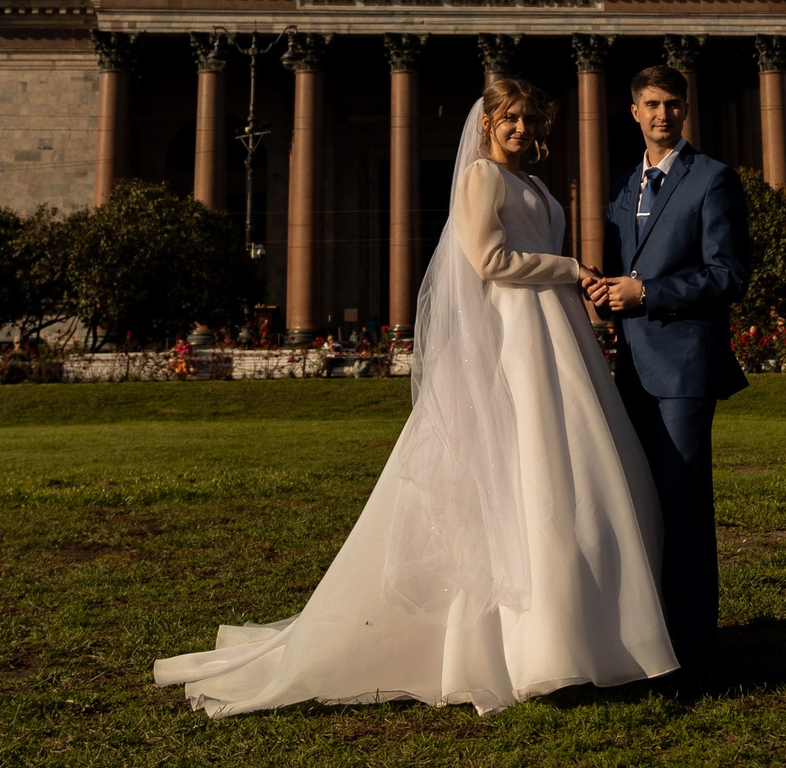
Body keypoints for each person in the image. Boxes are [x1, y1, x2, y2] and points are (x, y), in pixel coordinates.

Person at [152, 77, 675, 715]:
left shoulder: (534, 183)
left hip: (551, 331)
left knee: (563, 470)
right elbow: (487, 260)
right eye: (509, 119)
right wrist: (568, 268)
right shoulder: (481, 178)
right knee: (530, 466)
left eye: (530, 120)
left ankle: (579, 634)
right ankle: (538, 645)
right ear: (487, 125)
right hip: (519, 331)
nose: (521, 129)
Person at [585, 65, 750, 688]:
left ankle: (696, 654)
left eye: (673, 104)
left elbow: (728, 274)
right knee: (640, 508)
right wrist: (602, 293)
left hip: (683, 371)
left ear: (684, 110)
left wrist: (647, 291)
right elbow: (617, 276)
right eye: (651, 104)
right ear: (634, 112)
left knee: (682, 508)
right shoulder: (624, 187)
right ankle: (651, 639)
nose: (662, 114)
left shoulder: (712, 180)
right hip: (630, 371)